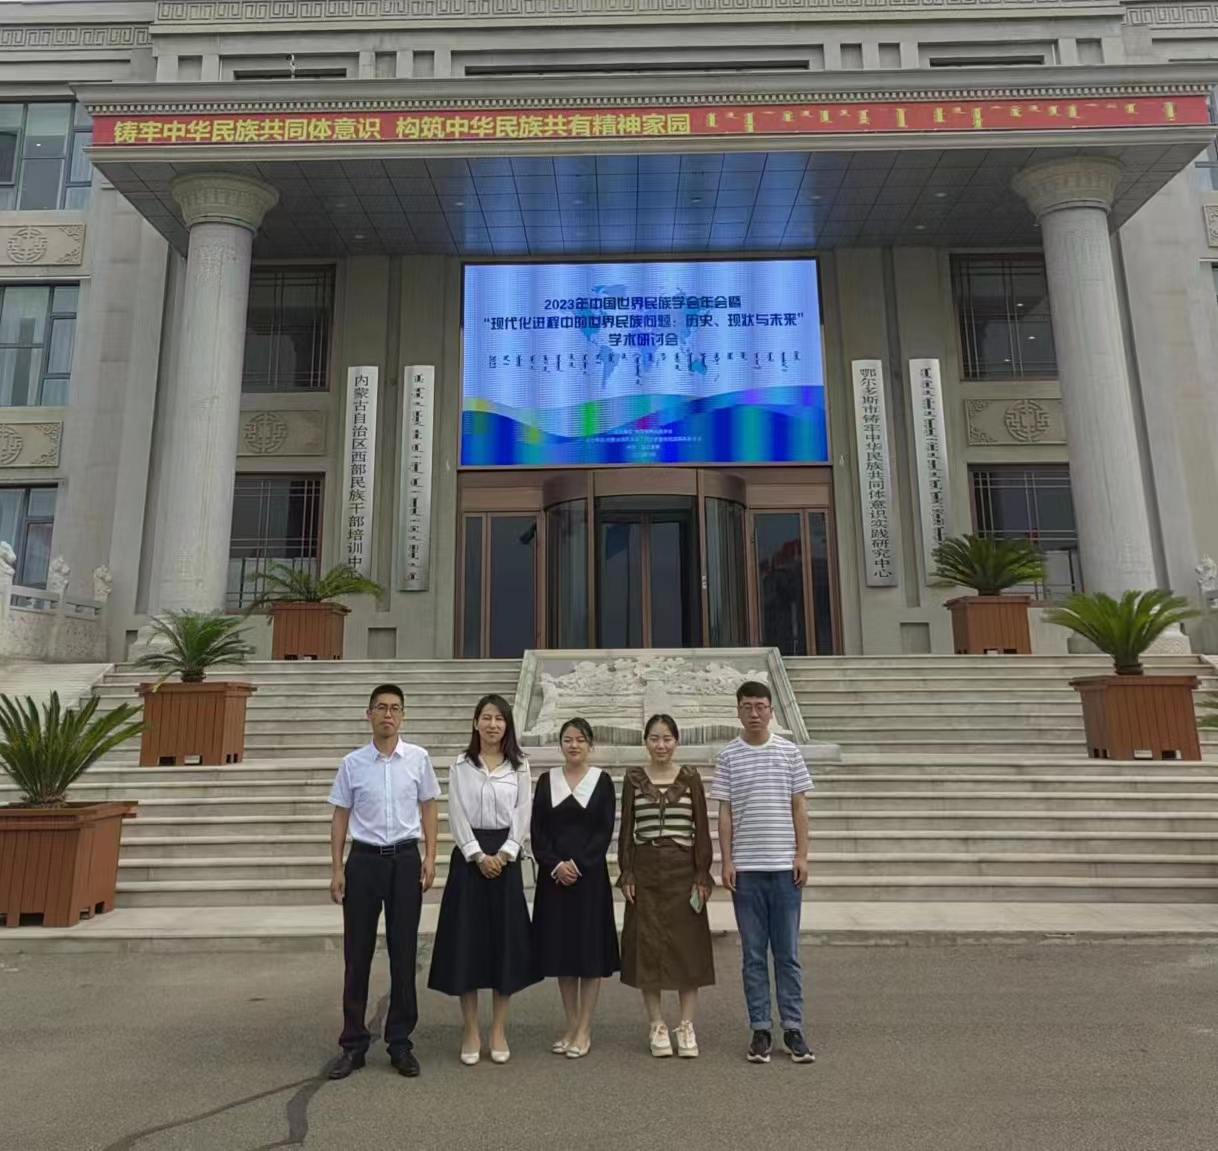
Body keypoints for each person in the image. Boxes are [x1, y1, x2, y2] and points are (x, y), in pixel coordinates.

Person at [326, 683, 440, 1080]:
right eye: (381, 708)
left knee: (403, 952)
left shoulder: (418, 759)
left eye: (394, 708)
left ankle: (400, 1042)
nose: (388, 714)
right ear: (369, 715)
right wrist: (337, 867)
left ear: (403, 716)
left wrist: (431, 856)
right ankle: (353, 1044)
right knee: (356, 955)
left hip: (405, 860)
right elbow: (340, 815)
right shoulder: (352, 763)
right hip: (363, 861)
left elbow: (429, 806)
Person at [427, 693, 536, 1064]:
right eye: (486, 718)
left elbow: (523, 811)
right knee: (467, 944)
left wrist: (505, 854)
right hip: (469, 860)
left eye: (499, 718)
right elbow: (456, 812)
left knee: (504, 944)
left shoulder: (519, 765)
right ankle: (471, 1028)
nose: (493, 724)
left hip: (506, 857)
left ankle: (498, 1029)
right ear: (475, 723)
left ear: (507, 725)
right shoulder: (461, 765)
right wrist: (476, 854)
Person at [711, 679, 815, 1065]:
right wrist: (727, 860)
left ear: (771, 710)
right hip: (748, 871)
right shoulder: (729, 756)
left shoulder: (789, 752)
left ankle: (793, 1028)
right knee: (753, 955)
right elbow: (724, 812)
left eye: (760, 706)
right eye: (747, 707)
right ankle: (760, 1029)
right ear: (738, 711)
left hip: (784, 869)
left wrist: (801, 855)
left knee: (787, 954)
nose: (754, 713)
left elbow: (799, 806)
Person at [618, 713, 714, 1058]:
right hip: (645, 869)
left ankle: (686, 1025)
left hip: (683, 869)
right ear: (645, 742)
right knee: (648, 948)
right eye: (655, 738)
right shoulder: (634, 779)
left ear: (677, 742)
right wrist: (627, 873)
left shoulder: (690, 778)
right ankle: (656, 1024)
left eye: (667, 738)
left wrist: (702, 874)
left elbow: (701, 828)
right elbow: (626, 829)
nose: (661, 745)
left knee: (688, 948)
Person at [530, 717, 620, 1059]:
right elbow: (538, 831)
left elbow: (603, 831)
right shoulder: (546, 781)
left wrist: (578, 865)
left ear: (590, 745)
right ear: (561, 744)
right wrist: (555, 865)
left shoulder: (602, 782)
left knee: (589, 953)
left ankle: (584, 1027)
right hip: (554, 879)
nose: (574, 745)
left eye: (580, 740)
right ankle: (570, 1024)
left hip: (589, 878)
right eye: (568, 739)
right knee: (563, 954)